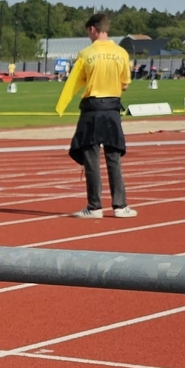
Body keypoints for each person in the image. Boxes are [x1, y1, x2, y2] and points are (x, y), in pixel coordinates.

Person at [55, 13, 135, 219]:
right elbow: (125, 83)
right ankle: (120, 205)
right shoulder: (121, 53)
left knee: (91, 158)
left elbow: (74, 82)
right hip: (112, 109)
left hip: (92, 108)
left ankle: (94, 206)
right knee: (113, 157)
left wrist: (61, 105)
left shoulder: (86, 53)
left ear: (93, 29)